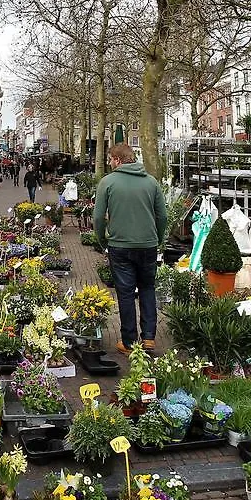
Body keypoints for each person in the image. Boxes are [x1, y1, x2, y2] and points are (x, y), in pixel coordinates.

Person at [93, 144, 167, 354]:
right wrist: (157, 238)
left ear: (117, 159)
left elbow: (98, 217)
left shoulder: (107, 182)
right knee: (147, 288)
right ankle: (149, 338)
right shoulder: (151, 182)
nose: (109, 164)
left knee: (125, 293)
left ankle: (129, 342)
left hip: (120, 245)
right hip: (148, 245)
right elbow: (162, 216)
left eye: (110, 160)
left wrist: (102, 240)